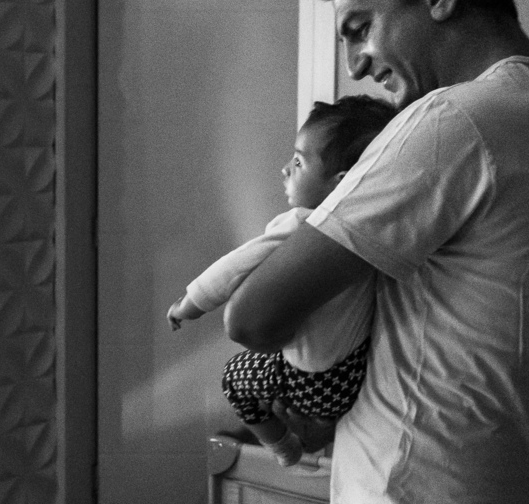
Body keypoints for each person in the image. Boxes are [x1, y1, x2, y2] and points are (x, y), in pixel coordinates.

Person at [223, 0, 529, 504]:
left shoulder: (454, 121)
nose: (355, 64)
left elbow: (252, 316)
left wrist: (305, 399)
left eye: (361, 26)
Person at [167, 96, 395, 467]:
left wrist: (189, 304)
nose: (285, 169)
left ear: (341, 184)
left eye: (299, 162)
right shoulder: (375, 229)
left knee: (233, 378)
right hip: (353, 376)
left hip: (315, 383)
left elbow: (232, 268)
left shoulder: (302, 226)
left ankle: (283, 447)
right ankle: (314, 427)